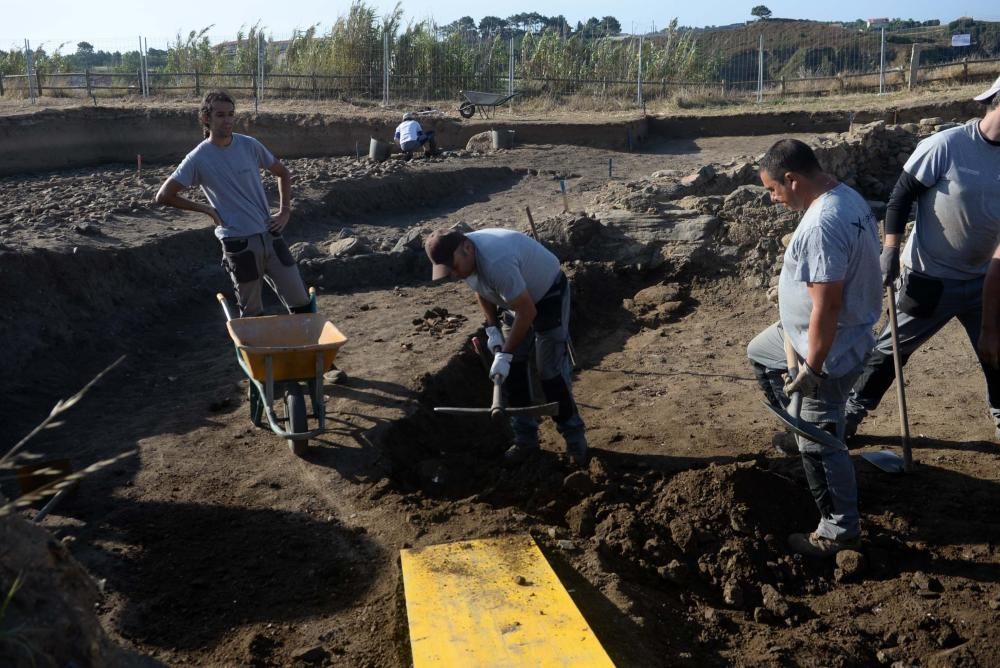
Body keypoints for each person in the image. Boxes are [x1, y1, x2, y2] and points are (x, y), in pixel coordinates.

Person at [747, 139, 882, 557]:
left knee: (820, 442)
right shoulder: (846, 196)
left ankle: (840, 530)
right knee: (760, 351)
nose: (772, 199)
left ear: (793, 178)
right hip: (800, 335)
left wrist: (813, 367)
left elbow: (828, 304)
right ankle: (797, 423)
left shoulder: (824, 222)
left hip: (827, 350)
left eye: (773, 190)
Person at [845, 74, 1000, 439]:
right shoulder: (947, 146)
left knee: (997, 349)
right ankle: (849, 415)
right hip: (930, 277)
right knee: (891, 350)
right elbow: (901, 197)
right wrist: (890, 249)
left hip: (984, 280)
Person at [424, 228, 587, 466]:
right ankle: (525, 439)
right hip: (516, 300)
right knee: (513, 372)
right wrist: (492, 328)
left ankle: (575, 440)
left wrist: (506, 353)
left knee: (550, 372)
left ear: (466, 248)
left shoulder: (496, 261)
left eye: (455, 266)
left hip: (548, 293)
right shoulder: (466, 261)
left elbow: (528, 311)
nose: (456, 275)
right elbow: (481, 289)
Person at [154, 90, 310, 317]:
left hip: (270, 234)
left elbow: (283, 173)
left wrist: (285, 211)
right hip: (239, 243)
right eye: (220, 115)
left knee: (302, 303)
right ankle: (259, 353)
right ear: (206, 118)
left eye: (230, 114)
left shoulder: (249, 145)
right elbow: (164, 195)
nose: (227, 120)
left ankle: (304, 351)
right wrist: (207, 209)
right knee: (252, 314)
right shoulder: (198, 158)